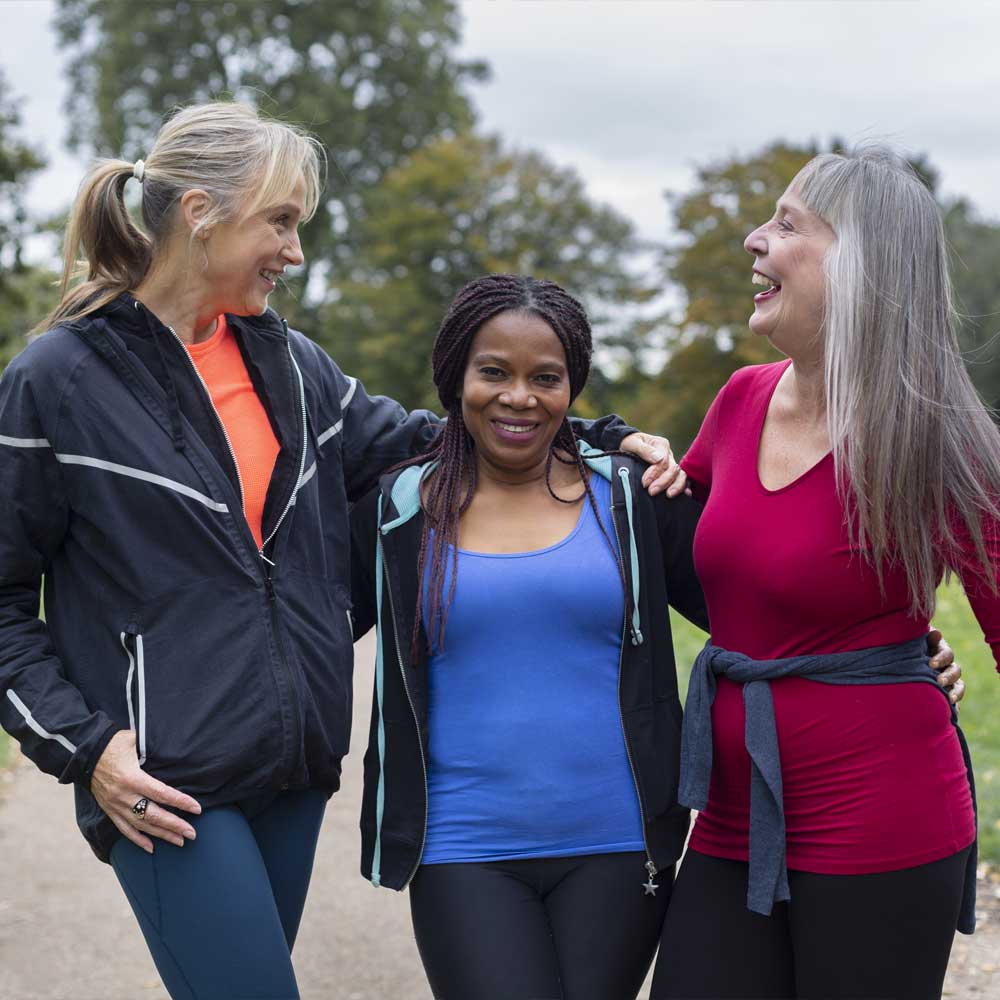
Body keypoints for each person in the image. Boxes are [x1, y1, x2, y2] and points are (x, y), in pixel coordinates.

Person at [0, 104, 680, 1000]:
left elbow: (441, 439)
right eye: (280, 222)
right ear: (202, 213)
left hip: (294, 770)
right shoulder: (56, 381)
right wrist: (86, 750)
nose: (295, 251)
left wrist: (598, 437)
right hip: (165, 784)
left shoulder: (294, 367)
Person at [347, 274, 960, 1000]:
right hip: (461, 847)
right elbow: (306, 630)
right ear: (457, 378)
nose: (519, 396)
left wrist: (895, 651)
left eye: (546, 377)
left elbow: (756, 602)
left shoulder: (630, 498)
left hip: (620, 847)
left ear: (572, 387)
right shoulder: (400, 511)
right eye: (493, 373)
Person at [651, 145, 997, 1000]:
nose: (752, 238)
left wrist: (898, 654)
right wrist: (625, 448)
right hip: (731, 817)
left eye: (787, 223)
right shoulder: (739, 400)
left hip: (882, 825)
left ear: (862, 261)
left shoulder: (939, 439)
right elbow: (705, 556)